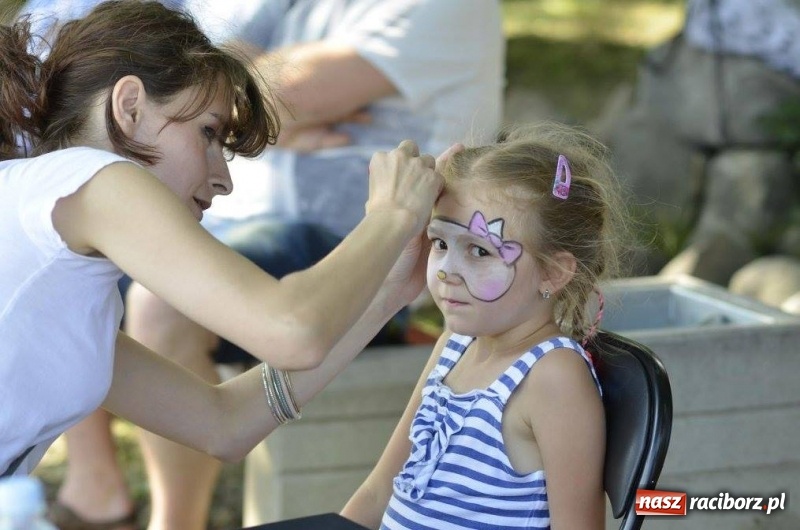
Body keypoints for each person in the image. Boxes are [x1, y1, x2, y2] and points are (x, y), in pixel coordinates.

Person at [18, 1, 505, 528]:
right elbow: (292, 332)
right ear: (130, 106)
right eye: (208, 133)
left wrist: (385, 294)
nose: (224, 179)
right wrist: (389, 216)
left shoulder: (67, 263)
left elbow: (221, 424)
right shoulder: (93, 178)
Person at [340, 122, 629, 529]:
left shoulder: (553, 378)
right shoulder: (455, 345)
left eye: (479, 251)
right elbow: (377, 492)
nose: (447, 272)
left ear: (554, 273)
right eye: (440, 243)